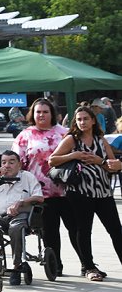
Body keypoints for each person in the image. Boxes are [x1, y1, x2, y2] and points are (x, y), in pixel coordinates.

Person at [49, 105, 122, 281]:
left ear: (93, 120)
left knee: (116, 230)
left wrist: (101, 160)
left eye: (86, 119)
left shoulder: (101, 140)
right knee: (84, 229)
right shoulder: (71, 140)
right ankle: (89, 267)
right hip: (79, 192)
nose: (82, 122)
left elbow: (112, 165)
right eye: (79, 119)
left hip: (103, 192)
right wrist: (73, 155)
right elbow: (52, 160)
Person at [11, 97, 80, 276]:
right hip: (41, 194)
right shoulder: (25, 135)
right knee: (50, 232)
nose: (41, 115)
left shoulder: (64, 133)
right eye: (38, 112)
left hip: (67, 190)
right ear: (32, 114)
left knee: (77, 229)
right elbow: (17, 165)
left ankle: (87, 263)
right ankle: (55, 265)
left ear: (52, 114)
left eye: (45, 112)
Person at [0, 150, 44, 286]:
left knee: (16, 228)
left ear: (19, 164)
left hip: (20, 215)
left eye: (11, 162)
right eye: (4, 162)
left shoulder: (27, 177)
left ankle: (17, 266)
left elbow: (39, 197)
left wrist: (21, 202)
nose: (7, 165)